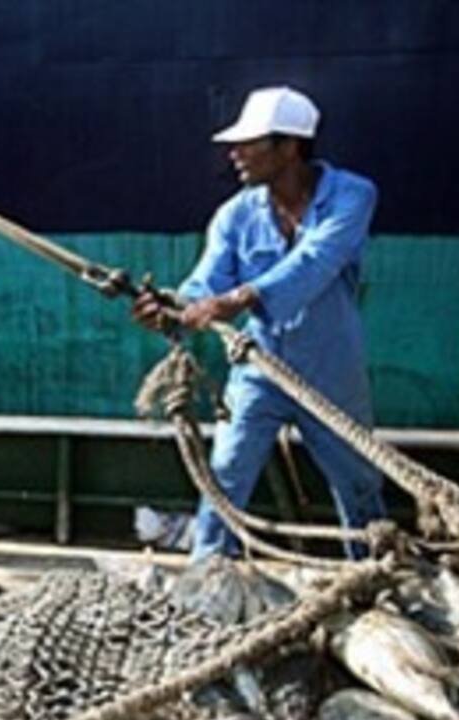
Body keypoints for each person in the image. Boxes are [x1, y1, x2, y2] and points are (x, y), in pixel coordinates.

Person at [132, 86, 385, 559]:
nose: (234, 153)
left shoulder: (353, 196)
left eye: (249, 143)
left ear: (289, 147)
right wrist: (171, 309)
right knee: (224, 475)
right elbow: (206, 282)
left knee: (358, 483)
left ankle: (374, 574)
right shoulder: (235, 214)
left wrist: (236, 299)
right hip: (257, 367)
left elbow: (315, 261)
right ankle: (208, 578)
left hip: (331, 371)